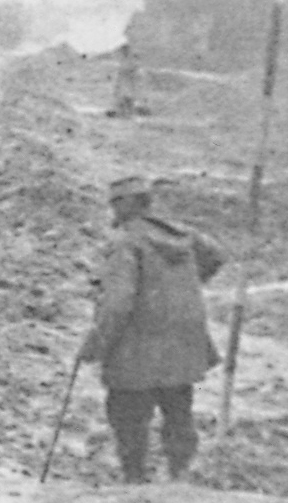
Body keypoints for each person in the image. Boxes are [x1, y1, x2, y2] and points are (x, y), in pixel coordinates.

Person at [77, 177, 228, 483]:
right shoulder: (184, 236)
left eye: (116, 203)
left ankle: (135, 481)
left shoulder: (125, 243)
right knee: (178, 409)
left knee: (128, 415)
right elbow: (215, 256)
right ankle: (179, 475)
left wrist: (95, 344)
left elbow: (118, 304)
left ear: (129, 204)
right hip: (182, 341)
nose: (112, 210)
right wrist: (180, 287)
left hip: (137, 345)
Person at [112, 43, 141, 118]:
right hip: (126, 84)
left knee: (127, 98)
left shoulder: (129, 60)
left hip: (127, 84)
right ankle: (125, 113)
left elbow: (132, 70)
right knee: (125, 98)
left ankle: (126, 113)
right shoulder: (124, 60)